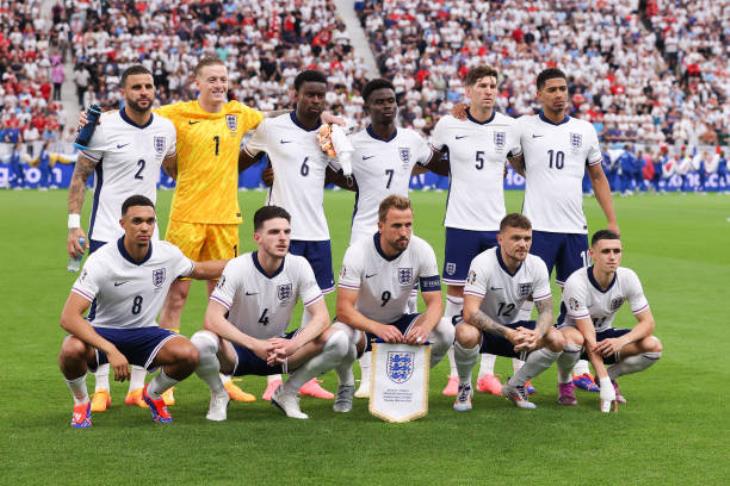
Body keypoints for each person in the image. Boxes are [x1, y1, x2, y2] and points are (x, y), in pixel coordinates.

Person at [58, 195, 227, 428]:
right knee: (70, 348)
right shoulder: (102, 261)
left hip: (146, 333)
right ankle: (81, 402)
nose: (145, 227)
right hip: (105, 332)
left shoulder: (166, 254)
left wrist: (247, 261)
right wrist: (110, 349)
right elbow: (68, 317)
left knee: (189, 354)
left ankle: (154, 394)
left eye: (150, 221)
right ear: (122, 224)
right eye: (137, 221)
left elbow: (198, 270)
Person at [66, 65, 177, 412]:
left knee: (145, 308)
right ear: (123, 91)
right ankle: (101, 388)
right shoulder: (104, 127)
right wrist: (74, 225)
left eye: (149, 86)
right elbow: (80, 177)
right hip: (106, 233)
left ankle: (138, 388)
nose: (144, 92)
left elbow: (173, 168)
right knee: (100, 309)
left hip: (148, 234)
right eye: (136, 87)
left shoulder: (166, 128)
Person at [510, 68, 619, 393]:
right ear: (539, 93)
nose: (559, 94)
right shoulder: (524, 127)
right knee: (527, 297)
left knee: (577, 298)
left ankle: (581, 369)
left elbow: (597, 177)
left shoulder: (584, 130)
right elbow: (513, 157)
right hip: (537, 227)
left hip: (574, 228)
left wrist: (611, 221)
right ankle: (521, 371)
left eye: (563, 88)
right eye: (552, 89)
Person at [238, 70, 345, 401]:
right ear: (295, 94)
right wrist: (264, 171)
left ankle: (300, 374)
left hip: (317, 231)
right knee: (278, 303)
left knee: (315, 309)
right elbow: (240, 161)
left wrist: (337, 149)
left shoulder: (329, 134)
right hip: (280, 231)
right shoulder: (273, 128)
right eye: (309, 94)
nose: (315, 101)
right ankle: (272, 375)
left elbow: (347, 177)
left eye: (320, 96)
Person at [190, 206, 350, 421]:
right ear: (257, 237)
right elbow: (212, 318)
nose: (283, 238)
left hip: (281, 350)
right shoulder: (237, 267)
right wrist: (254, 345)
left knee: (339, 340)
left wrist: (293, 345)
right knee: (200, 342)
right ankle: (219, 394)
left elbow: (321, 316)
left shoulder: (299, 265)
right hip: (238, 351)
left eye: (287, 232)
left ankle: (288, 392)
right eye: (274, 232)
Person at [342, 78, 445, 398]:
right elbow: (334, 171)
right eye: (380, 101)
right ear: (368, 106)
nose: (387, 106)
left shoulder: (411, 140)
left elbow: (437, 162)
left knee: (408, 301)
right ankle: (368, 375)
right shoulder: (353, 143)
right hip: (365, 229)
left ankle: (403, 375)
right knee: (362, 303)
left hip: (401, 228)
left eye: (391, 101)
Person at [431, 66, 525, 398]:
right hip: (459, 224)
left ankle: (487, 374)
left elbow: (519, 163)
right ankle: (456, 376)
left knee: (492, 302)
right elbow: (428, 158)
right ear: (467, 89)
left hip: (495, 226)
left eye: (493, 85)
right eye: (481, 85)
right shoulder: (448, 124)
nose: (488, 90)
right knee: (456, 302)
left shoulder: (510, 127)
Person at [330, 195, 454, 413]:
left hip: (398, 321)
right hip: (361, 324)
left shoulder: (422, 250)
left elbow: (435, 303)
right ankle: (346, 383)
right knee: (338, 338)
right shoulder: (358, 252)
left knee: (445, 330)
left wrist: (423, 330)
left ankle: (411, 380)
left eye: (408, 225)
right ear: (380, 226)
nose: (404, 232)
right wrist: (377, 328)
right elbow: (343, 309)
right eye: (397, 225)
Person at [453, 213, 581, 411]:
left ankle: (515, 385)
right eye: (516, 238)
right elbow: (469, 313)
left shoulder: (536, 264)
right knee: (465, 333)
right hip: (484, 331)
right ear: (500, 239)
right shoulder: (483, 263)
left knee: (557, 339)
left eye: (527, 238)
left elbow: (546, 310)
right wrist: (508, 333)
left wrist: (537, 333)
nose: (523, 244)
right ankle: (464, 386)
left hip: (513, 329)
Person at [558, 229, 662, 407]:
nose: (612, 257)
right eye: (606, 251)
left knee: (653, 346)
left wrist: (621, 341)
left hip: (604, 334)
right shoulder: (576, 282)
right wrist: (606, 386)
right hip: (575, 334)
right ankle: (565, 382)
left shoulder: (628, 277)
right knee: (573, 340)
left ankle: (609, 376)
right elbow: (588, 334)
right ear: (592, 254)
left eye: (617, 251)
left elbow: (648, 322)